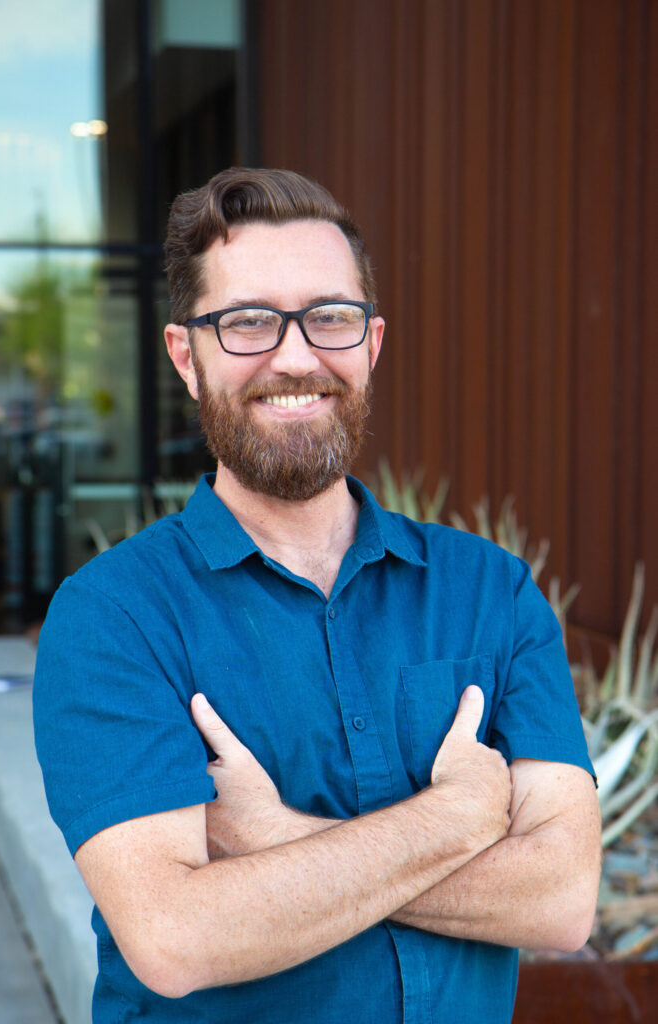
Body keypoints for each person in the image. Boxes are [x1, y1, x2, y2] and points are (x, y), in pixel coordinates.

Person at [33, 167, 601, 1024]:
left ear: (371, 344)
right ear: (187, 357)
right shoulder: (114, 616)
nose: (296, 357)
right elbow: (175, 937)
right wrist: (456, 817)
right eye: (248, 322)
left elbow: (559, 899)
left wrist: (276, 838)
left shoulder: (491, 590)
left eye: (329, 317)